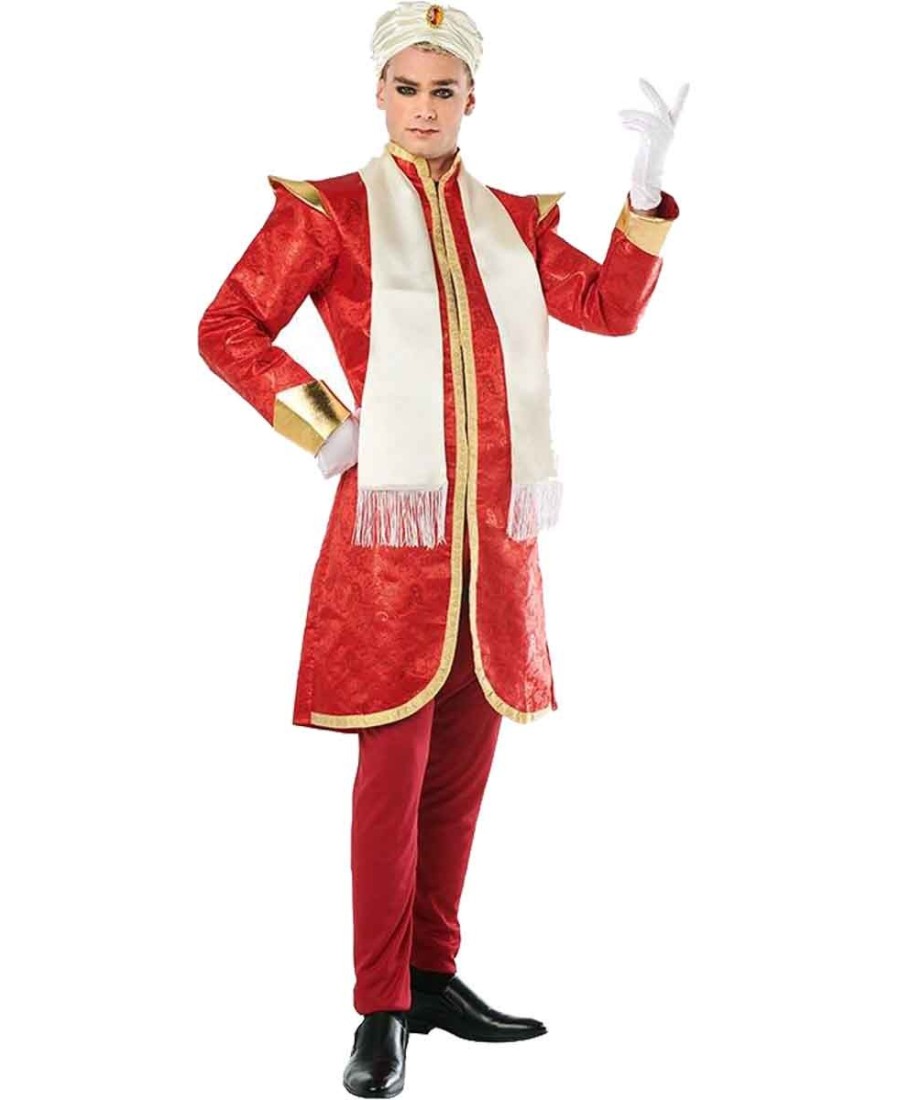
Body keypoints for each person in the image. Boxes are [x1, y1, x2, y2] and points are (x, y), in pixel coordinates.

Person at [197, 3, 687, 1095]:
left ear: (473, 97)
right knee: (391, 784)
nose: (425, 108)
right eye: (408, 88)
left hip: (496, 550)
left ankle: (431, 975)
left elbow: (608, 309)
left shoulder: (512, 220)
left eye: (445, 89)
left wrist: (646, 202)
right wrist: (326, 425)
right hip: (392, 552)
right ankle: (379, 1007)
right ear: (379, 92)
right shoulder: (330, 213)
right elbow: (227, 326)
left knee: (460, 780)